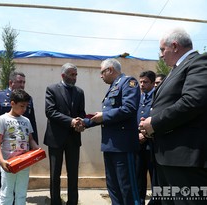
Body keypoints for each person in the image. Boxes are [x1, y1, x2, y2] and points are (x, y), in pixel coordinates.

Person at [139, 28, 207, 205]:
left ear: (175, 46)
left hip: (184, 159)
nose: (161, 55)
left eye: (162, 50)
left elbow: (193, 101)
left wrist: (155, 122)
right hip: (166, 157)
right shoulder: (176, 69)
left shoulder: (198, 62)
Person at [82, 58, 140, 205]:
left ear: (110, 70)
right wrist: (84, 122)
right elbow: (106, 117)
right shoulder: (114, 86)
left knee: (127, 188)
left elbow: (129, 109)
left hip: (123, 146)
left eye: (102, 72)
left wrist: (103, 116)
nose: (101, 76)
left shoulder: (128, 83)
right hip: (110, 145)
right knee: (113, 187)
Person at [0, 71, 38, 205]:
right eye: (19, 82)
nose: (22, 85)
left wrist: (35, 149)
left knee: (21, 193)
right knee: (4, 190)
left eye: (24, 82)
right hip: (7, 156)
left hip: (23, 158)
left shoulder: (26, 110)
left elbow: (30, 132)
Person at [44, 63, 86, 205]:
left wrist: (81, 122)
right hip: (55, 138)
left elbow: (81, 112)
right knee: (55, 174)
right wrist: (71, 121)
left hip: (73, 139)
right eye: (72, 75)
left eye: (76, 74)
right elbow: (50, 112)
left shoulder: (79, 92)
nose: (75, 77)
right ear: (63, 75)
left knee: (73, 174)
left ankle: (72, 202)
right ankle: (55, 201)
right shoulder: (52, 89)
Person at [136, 70, 157, 205]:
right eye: (141, 82)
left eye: (145, 82)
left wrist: (144, 133)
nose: (142, 85)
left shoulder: (157, 97)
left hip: (152, 144)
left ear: (153, 83)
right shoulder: (139, 97)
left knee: (154, 177)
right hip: (138, 144)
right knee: (139, 176)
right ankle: (139, 201)